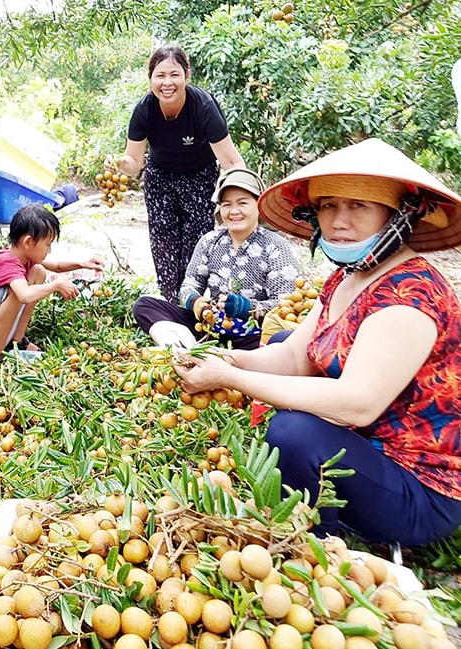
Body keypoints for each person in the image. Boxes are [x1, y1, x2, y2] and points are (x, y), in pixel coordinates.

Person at [175, 138, 461, 546]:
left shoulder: (411, 293)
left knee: (293, 433)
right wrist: (226, 358)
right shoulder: (346, 278)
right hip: (368, 453)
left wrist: (230, 378)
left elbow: (358, 403)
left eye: (358, 206)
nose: (338, 221)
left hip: (416, 485)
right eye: (328, 205)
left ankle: (316, 539)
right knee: (294, 341)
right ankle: (312, 512)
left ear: (398, 214)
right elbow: (293, 356)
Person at [112, 45, 246, 302]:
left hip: (200, 175)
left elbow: (230, 160)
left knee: (197, 242)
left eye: (174, 75)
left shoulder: (203, 107)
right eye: (160, 75)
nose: (167, 82)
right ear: (150, 78)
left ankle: (193, 302)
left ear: (187, 75)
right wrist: (120, 163)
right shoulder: (144, 110)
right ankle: (171, 302)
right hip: (160, 176)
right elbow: (134, 163)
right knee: (163, 242)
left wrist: (250, 196)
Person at [134, 168, 299, 350]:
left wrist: (246, 308)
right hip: (210, 327)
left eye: (242, 203)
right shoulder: (210, 241)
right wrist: (196, 303)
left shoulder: (276, 246)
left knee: (283, 339)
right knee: (145, 305)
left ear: (258, 205)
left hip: (253, 335)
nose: (234, 211)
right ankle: (186, 346)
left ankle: (199, 350)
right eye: (227, 205)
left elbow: (286, 307)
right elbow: (189, 286)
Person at [0, 204, 104, 361]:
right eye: (47, 244)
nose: (49, 250)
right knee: (18, 291)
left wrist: (83, 263)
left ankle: (17, 341)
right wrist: (55, 285)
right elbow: (24, 295)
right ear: (28, 242)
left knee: (38, 271)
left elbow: (57, 266)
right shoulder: (7, 262)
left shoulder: (23, 256)